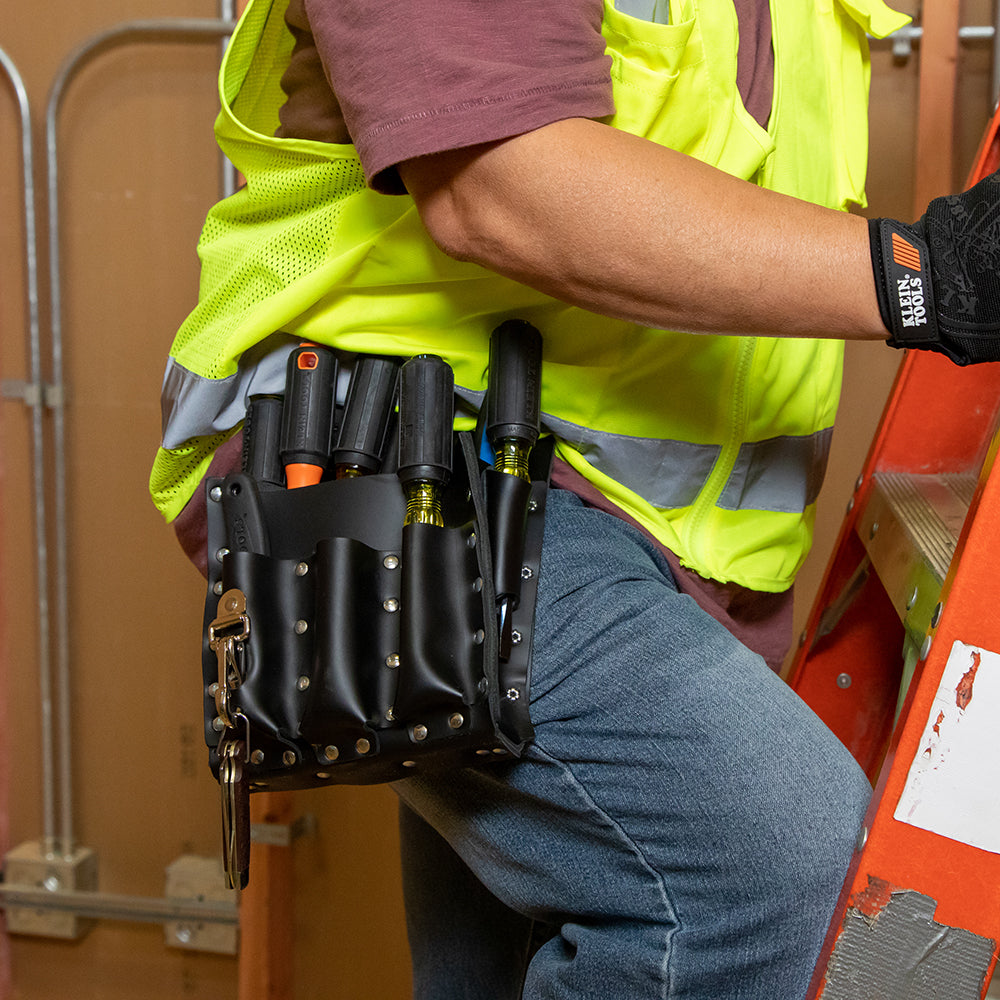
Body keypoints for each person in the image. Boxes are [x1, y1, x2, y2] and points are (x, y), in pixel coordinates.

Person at [149, 0, 1000, 996]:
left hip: (653, 534)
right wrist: (925, 276)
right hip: (429, 477)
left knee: (515, 957)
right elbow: (499, 184)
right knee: (763, 880)